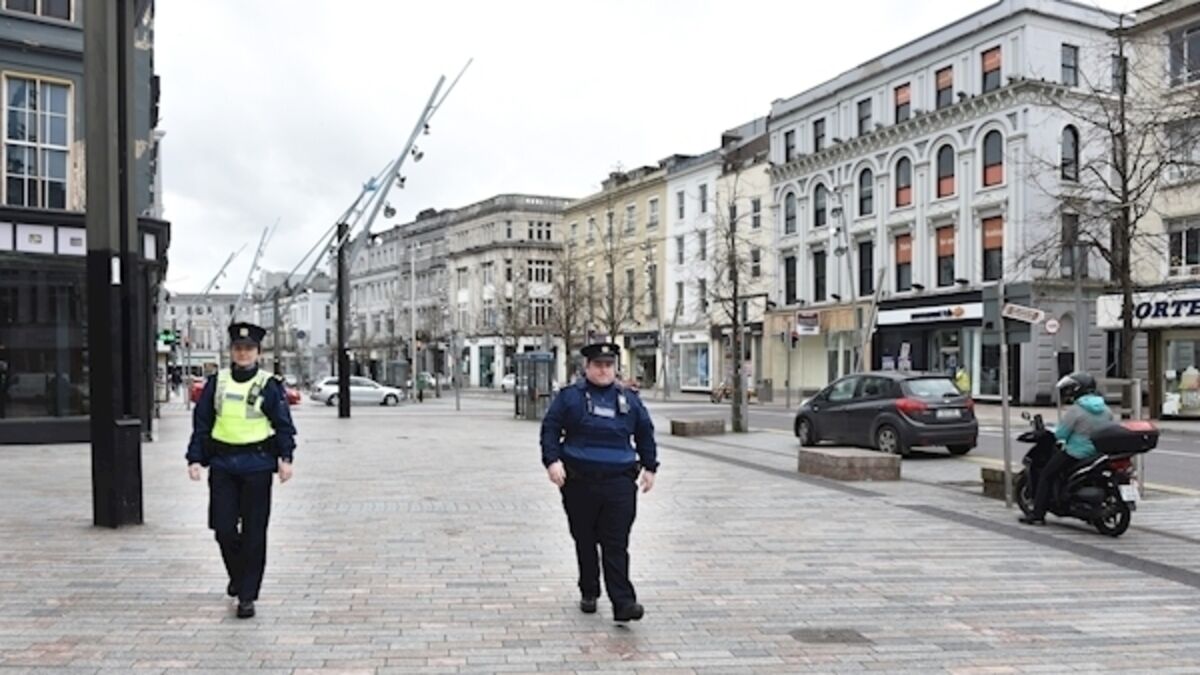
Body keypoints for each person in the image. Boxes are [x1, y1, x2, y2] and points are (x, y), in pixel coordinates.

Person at [540, 342, 658, 623]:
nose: (604, 370)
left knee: (616, 542)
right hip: (579, 481)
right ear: (587, 367)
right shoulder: (570, 397)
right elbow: (550, 429)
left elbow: (645, 432)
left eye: (608, 365)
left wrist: (650, 466)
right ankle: (589, 589)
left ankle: (624, 603)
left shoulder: (628, 399)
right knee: (585, 539)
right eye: (598, 365)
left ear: (615, 368)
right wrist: (552, 461)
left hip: (619, 481)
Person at [186, 322, 297, 618]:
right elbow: (202, 423)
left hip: (257, 464)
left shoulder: (268, 384)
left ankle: (247, 595)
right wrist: (194, 458)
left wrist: (286, 457)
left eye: (249, 349)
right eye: (238, 348)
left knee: (254, 532)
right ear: (231, 351)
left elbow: (283, 425)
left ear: (258, 352)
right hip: (223, 464)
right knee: (223, 529)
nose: (243, 353)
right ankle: (238, 574)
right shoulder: (217, 382)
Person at [1020, 371, 1113, 525]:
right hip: (1098, 453)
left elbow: (1061, 434)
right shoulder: (1106, 409)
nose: (1068, 393)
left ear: (1077, 389)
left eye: (1070, 389)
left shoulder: (1076, 410)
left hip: (1076, 453)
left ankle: (1037, 514)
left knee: (1046, 474)